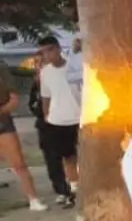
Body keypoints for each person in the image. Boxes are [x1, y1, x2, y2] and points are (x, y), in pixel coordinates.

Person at [35, 36, 81, 207]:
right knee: (67, 157)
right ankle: (74, 190)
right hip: (57, 120)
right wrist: (47, 115)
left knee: (82, 156)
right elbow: (45, 96)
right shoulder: (45, 72)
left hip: (78, 117)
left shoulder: (73, 66)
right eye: (43, 52)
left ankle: (86, 187)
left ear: (58, 49)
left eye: (50, 50)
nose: (47, 55)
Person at [0, 61, 46, 211]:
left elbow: (13, 98)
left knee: (18, 162)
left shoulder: (2, 67)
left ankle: (33, 199)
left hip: (3, 122)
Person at [27, 56, 72, 204]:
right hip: (46, 125)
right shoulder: (37, 85)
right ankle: (61, 190)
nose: (40, 68)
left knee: (70, 155)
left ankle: (74, 186)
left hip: (65, 122)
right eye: (38, 65)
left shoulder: (63, 77)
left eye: (42, 63)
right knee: (52, 160)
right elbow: (32, 104)